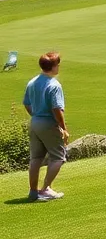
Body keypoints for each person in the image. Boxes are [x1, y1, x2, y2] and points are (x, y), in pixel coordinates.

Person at [24, 52, 69, 202]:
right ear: (54, 66)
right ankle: (45, 189)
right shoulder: (54, 85)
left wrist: (36, 115)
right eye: (58, 64)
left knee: (35, 158)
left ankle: (33, 192)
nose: (59, 67)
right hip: (48, 123)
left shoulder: (32, 82)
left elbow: (27, 103)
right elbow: (57, 109)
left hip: (35, 122)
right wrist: (63, 128)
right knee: (58, 157)